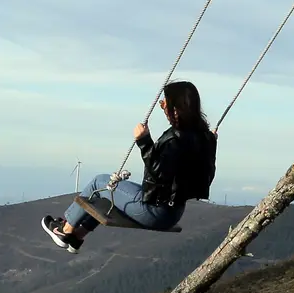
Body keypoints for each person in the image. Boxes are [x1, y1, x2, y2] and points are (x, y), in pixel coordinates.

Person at [43, 80, 216, 253]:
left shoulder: (176, 139)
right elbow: (204, 178)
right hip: (174, 213)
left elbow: (160, 173)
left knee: (100, 183)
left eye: (164, 103)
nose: (162, 107)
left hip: (152, 211)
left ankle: (65, 231)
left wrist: (144, 141)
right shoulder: (203, 137)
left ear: (176, 108)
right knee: (108, 195)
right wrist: (210, 144)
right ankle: (77, 236)